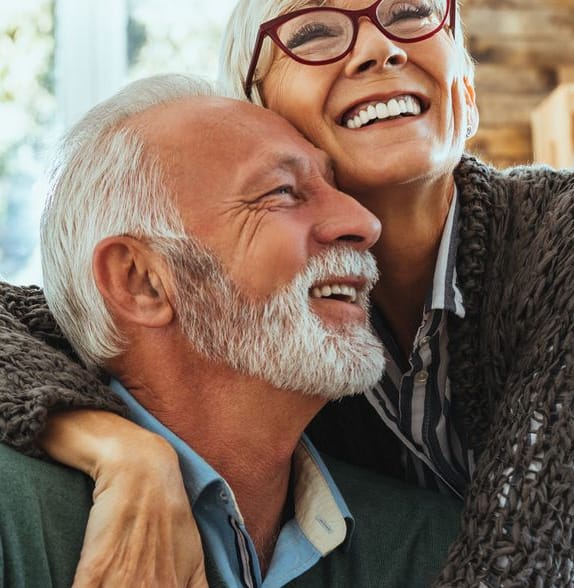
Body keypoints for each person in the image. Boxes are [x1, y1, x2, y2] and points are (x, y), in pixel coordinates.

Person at [0, 0, 574, 585]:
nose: (377, 49)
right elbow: (62, 317)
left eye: (413, 14)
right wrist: (121, 449)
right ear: (256, 109)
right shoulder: (284, 331)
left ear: (466, 87)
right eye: (314, 30)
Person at [0, 73, 462, 588]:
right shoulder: (13, 518)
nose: (363, 222)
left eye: (335, 187)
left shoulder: (437, 547)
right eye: (283, 192)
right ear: (141, 281)